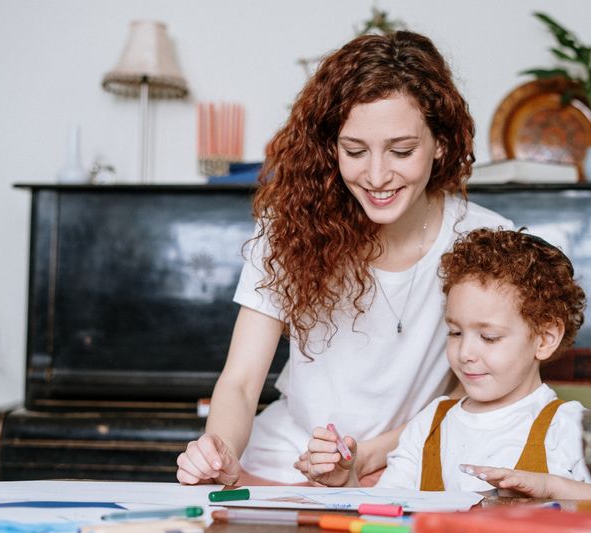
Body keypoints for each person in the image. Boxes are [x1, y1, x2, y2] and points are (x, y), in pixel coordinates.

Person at [176, 31, 512, 486]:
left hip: (412, 458)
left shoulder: (488, 241)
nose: (376, 176)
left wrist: (373, 455)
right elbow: (239, 382)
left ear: (442, 145)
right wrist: (219, 454)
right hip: (284, 459)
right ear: (330, 149)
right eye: (354, 151)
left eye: (402, 151)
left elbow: (475, 393)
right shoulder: (288, 228)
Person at [304, 228, 591, 499]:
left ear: (545, 338)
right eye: (455, 332)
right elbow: (387, 513)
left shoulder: (571, 427)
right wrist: (346, 484)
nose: (465, 352)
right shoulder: (430, 424)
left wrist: (550, 487)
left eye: (489, 337)